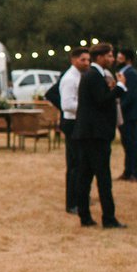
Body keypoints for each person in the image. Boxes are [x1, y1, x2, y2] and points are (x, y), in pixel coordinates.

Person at [73, 43, 126, 228]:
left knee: (85, 175)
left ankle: (85, 215)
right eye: (109, 56)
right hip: (95, 134)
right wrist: (119, 88)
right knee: (102, 177)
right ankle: (108, 217)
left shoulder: (93, 75)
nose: (112, 60)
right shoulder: (94, 76)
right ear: (100, 57)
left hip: (88, 133)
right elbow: (102, 101)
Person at [56, 49, 89, 214]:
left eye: (88, 60)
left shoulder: (78, 76)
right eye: (83, 60)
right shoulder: (70, 79)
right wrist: (88, 108)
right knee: (75, 164)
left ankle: (79, 198)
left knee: (80, 163)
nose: (86, 63)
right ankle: (72, 202)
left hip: (77, 121)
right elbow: (67, 105)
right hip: (72, 122)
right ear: (74, 60)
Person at [115, 49, 137, 182]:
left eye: (120, 58)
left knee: (133, 144)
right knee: (127, 143)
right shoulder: (123, 73)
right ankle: (128, 171)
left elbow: (131, 95)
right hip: (125, 114)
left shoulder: (131, 73)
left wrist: (119, 109)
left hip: (129, 115)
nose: (117, 60)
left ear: (128, 60)